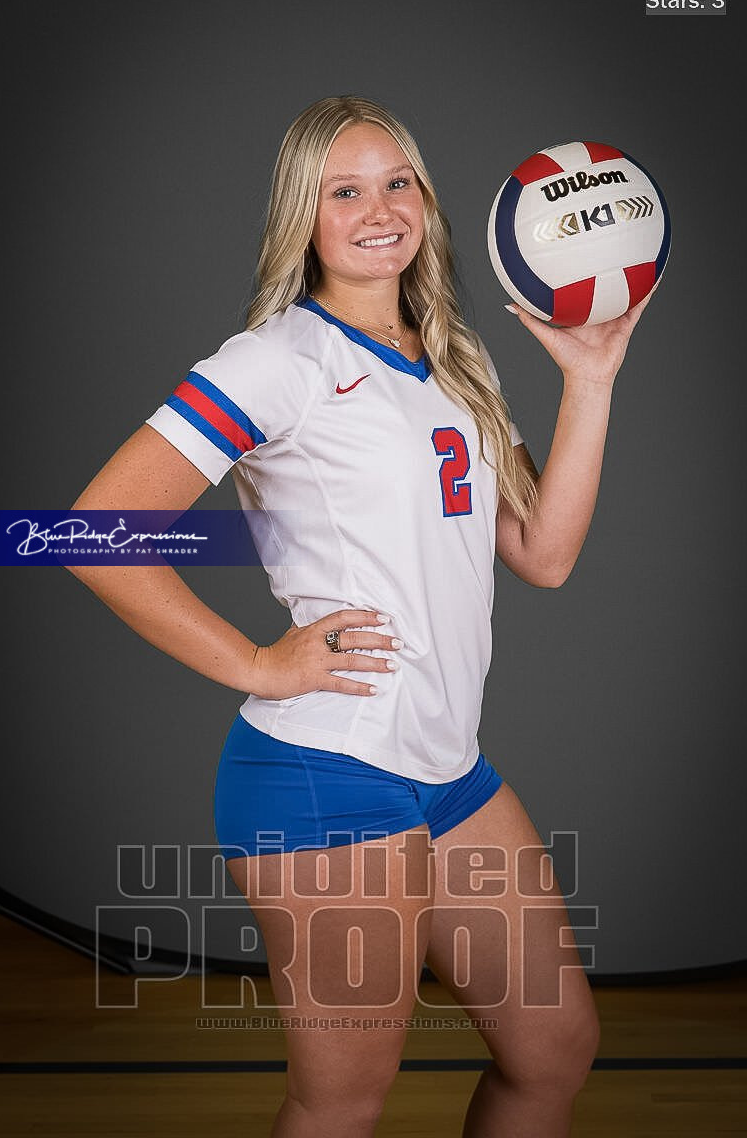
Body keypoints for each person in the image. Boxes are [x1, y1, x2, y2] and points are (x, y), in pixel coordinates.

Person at [67, 95, 653, 1137]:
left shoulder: (455, 356)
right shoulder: (277, 361)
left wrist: (590, 380)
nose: (378, 210)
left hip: (447, 768)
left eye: (397, 183)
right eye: (344, 190)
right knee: (342, 1104)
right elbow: (93, 532)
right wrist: (258, 663)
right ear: (303, 215)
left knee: (554, 1051)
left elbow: (543, 554)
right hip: (325, 772)